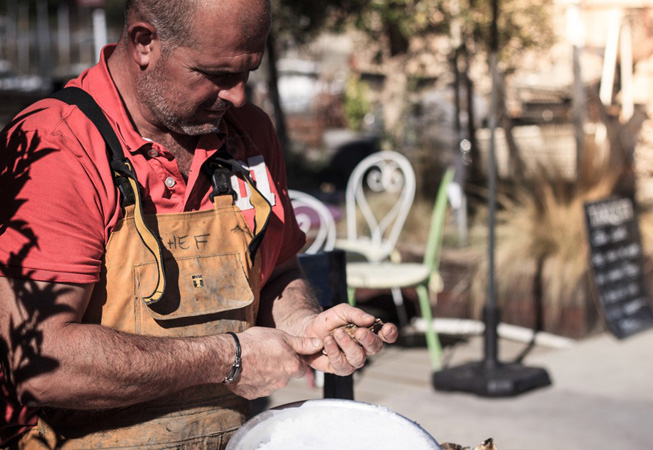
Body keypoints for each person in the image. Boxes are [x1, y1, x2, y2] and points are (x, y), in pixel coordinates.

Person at [0, 0, 398, 447]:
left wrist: (300, 323)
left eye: (248, 72)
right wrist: (227, 359)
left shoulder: (249, 133)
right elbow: (40, 363)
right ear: (144, 43)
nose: (238, 95)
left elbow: (279, 271)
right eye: (217, 74)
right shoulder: (56, 146)